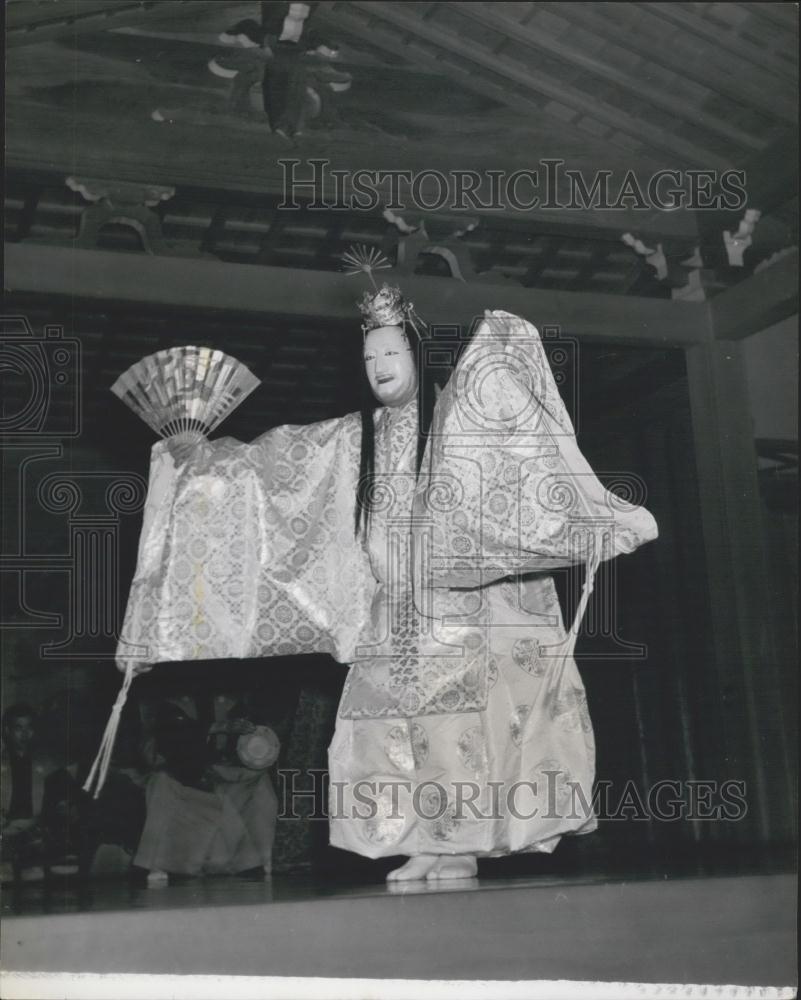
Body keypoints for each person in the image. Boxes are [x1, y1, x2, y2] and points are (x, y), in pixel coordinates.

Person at [111, 289, 657, 882]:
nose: (381, 366)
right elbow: (275, 466)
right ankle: (422, 841)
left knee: (452, 730)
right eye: (370, 357)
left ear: (418, 356)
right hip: (388, 613)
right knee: (385, 735)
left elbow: (511, 458)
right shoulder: (356, 437)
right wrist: (200, 463)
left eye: (392, 351)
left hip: (454, 608)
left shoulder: (455, 419)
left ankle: (457, 844)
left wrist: (498, 359)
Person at [133, 696, 279, 882]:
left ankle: (261, 858)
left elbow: (243, 747)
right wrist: (217, 728)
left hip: (219, 774)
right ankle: (158, 863)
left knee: (258, 785)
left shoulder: (233, 703)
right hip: (181, 775)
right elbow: (168, 747)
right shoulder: (174, 705)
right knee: (164, 785)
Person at [0, 703, 59, 881]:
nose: (24, 734)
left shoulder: (47, 764)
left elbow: (56, 801)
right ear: (7, 730)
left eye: (29, 727)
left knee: (36, 876)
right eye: (18, 728)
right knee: (5, 877)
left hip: (35, 829)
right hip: (5, 829)